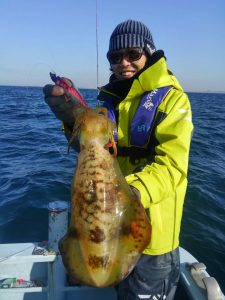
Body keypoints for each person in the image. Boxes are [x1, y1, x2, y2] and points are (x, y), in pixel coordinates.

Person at [43, 19, 193, 300]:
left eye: (133, 54)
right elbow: (93, 153)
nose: (124, 62)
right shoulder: (108, 102)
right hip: (107, 229)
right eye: (115, 57)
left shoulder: (173, 100)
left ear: (148, 52)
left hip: (153, 241)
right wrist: (70, 119)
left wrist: (127, 193)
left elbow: (172, 167)